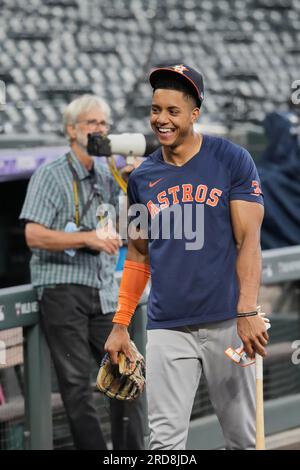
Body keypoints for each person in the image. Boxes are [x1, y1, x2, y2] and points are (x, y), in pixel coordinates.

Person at [104, 64, 269, 450]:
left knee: (242, 439)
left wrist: (246, 311)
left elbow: (249, 242)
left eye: (172, 111)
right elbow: (138, 255)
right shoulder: (142, 179)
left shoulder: (232, 160)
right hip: (168, 326)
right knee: (163, 444)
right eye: (156, 110)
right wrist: (121, 323)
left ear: (195, 113)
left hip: (228, 323)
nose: (161, 120)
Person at [19, 94, 145, 450]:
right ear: (71, 131)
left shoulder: (108, 173)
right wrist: (87, 238)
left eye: (104, 124)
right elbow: (33, 234)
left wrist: (134, 184)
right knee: (76, 387)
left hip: (103, 289)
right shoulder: (51, 174)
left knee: (126, 377)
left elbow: (128, 229)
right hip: (62, 288)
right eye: (92, 124)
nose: (100, 130)